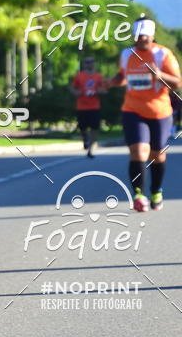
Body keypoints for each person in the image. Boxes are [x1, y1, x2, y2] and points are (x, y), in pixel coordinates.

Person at [107, 17, 181, 212]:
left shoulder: (163, 54)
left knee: (157, 155)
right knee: (138, 151)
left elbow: (178, 83)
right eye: (139, 37)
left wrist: (160, 75)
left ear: (153, 36)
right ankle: (139, 195)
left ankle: (156, 190)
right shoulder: (127, 54)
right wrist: (110, 82)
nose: (142, 41)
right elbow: (122, 76)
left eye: (146, 38)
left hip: (159, 112)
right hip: (132, 110)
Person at [70, 55, 105, 157]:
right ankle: (85, 139)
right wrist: (77, 92)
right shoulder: (79, 76)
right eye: (87, 62)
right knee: (82, 128)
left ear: (94, 63)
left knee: (94, 128)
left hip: (94, 107)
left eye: (91, 61)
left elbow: (104, 89)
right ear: (84, 64)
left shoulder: (98, 76)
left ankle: (90, 149)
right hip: (82, 106)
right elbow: (73, 88)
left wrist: (98, 91)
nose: (89, 64)